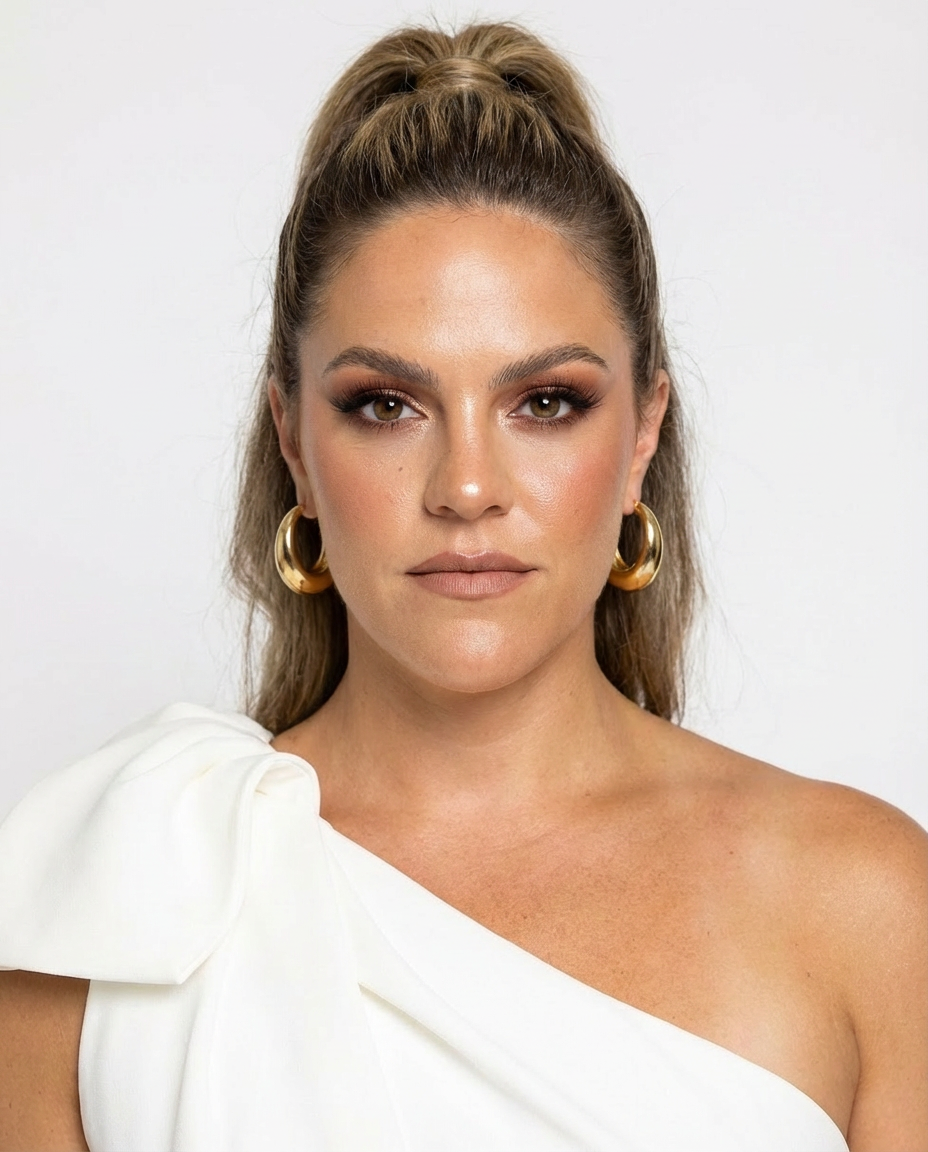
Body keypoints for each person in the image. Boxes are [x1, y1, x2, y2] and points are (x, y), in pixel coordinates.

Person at [0, 20, 925, 1152]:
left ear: (641, 433)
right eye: (386, 405)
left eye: (546, 403)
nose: (468, 486)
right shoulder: (115, 898)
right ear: (293, 440)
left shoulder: (867, 909)